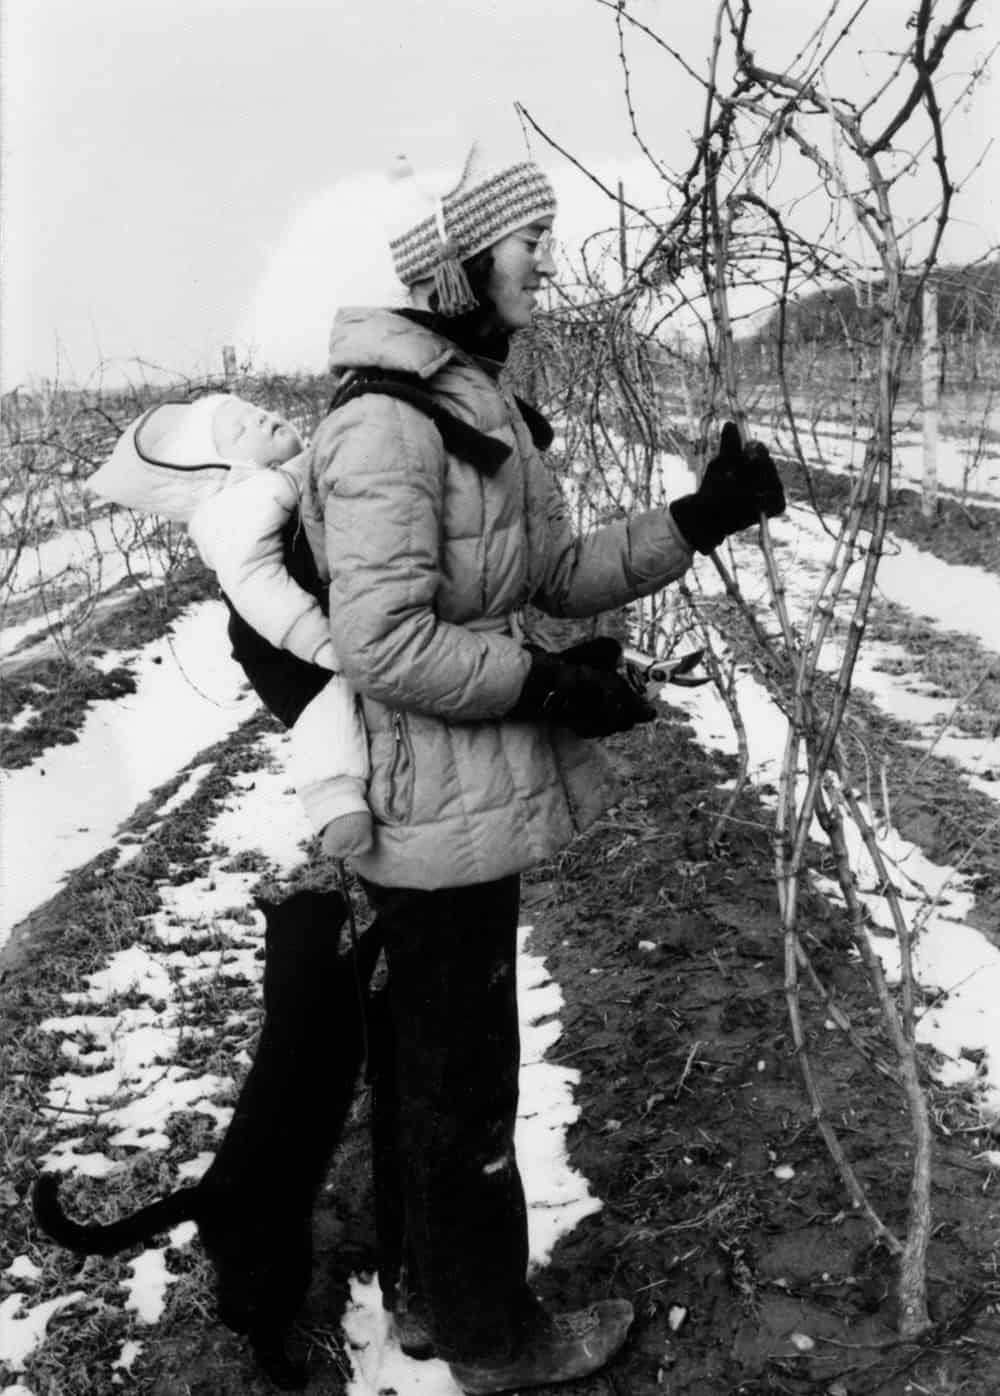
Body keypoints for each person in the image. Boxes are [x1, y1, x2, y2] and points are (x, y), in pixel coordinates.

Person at [233, 140, 785, 1394]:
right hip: (430, 812)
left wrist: (698, 518)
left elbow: (544, 573)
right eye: (526, 240)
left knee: (442, 1062)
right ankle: (491, 1334)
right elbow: (382, 644)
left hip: (464, 803)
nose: (544, 259)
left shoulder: (467, 402)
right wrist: (546, 683)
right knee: (463, 1084)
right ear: (460, 267)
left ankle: (435, 1297)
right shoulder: (385, 425)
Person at [87, 392, 374, 858]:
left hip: (323, 618)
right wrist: (316, 639)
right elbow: (255, 585)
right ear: (221, 471)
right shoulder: (240, 504)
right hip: (299, 636)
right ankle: (334, 800)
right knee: (327, 704)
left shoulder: (291, 471)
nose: (261, 417)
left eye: (253, 411)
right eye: (241, 431)